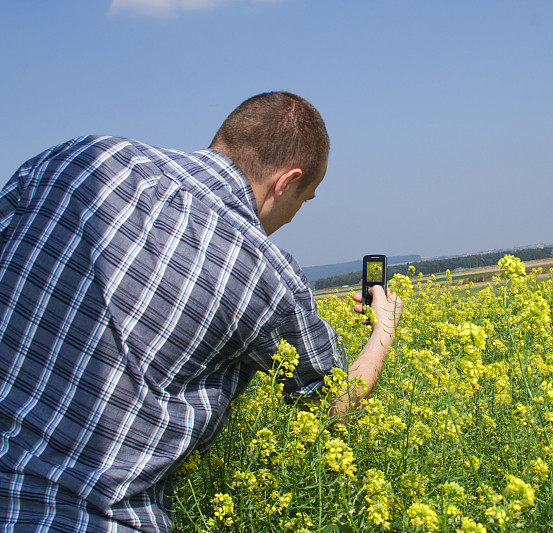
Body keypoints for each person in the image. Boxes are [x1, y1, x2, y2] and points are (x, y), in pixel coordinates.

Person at [0, 91, 402, 532]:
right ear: (285, 183)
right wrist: (383, 329)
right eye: (303, 200)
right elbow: (332, 401)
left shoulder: (77, 159)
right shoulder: (262, 273)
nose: (290, 218)